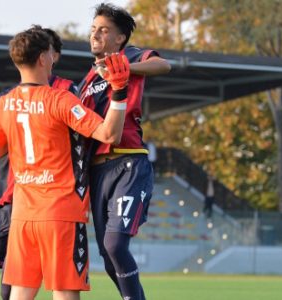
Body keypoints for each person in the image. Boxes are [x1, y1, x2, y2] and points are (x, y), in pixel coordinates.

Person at [0, 25, 129, 300]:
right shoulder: (60, 100)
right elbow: (110, 134)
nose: (53, 57)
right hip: (60, 213)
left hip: (24, 216)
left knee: (20, 294)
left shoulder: (5, 103)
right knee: (64, 293)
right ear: (42, 59)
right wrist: (119, 92)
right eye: (50, 51)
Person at [0, 27, 77, 300]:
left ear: (53, 56)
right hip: (3, 199)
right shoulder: (7, 97)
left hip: (41, 202)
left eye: (48, 48)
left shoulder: (67, 93)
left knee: (12, 288)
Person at [78, 3, 171, 300]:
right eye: (94, 29)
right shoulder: (86, 81)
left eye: (103, 30)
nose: (96, 35)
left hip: (128, 161)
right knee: (108, 256)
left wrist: (125, 69)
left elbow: (163, 65)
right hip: (97, 170)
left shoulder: (129, 56)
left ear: (119, 38)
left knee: (116, 245)